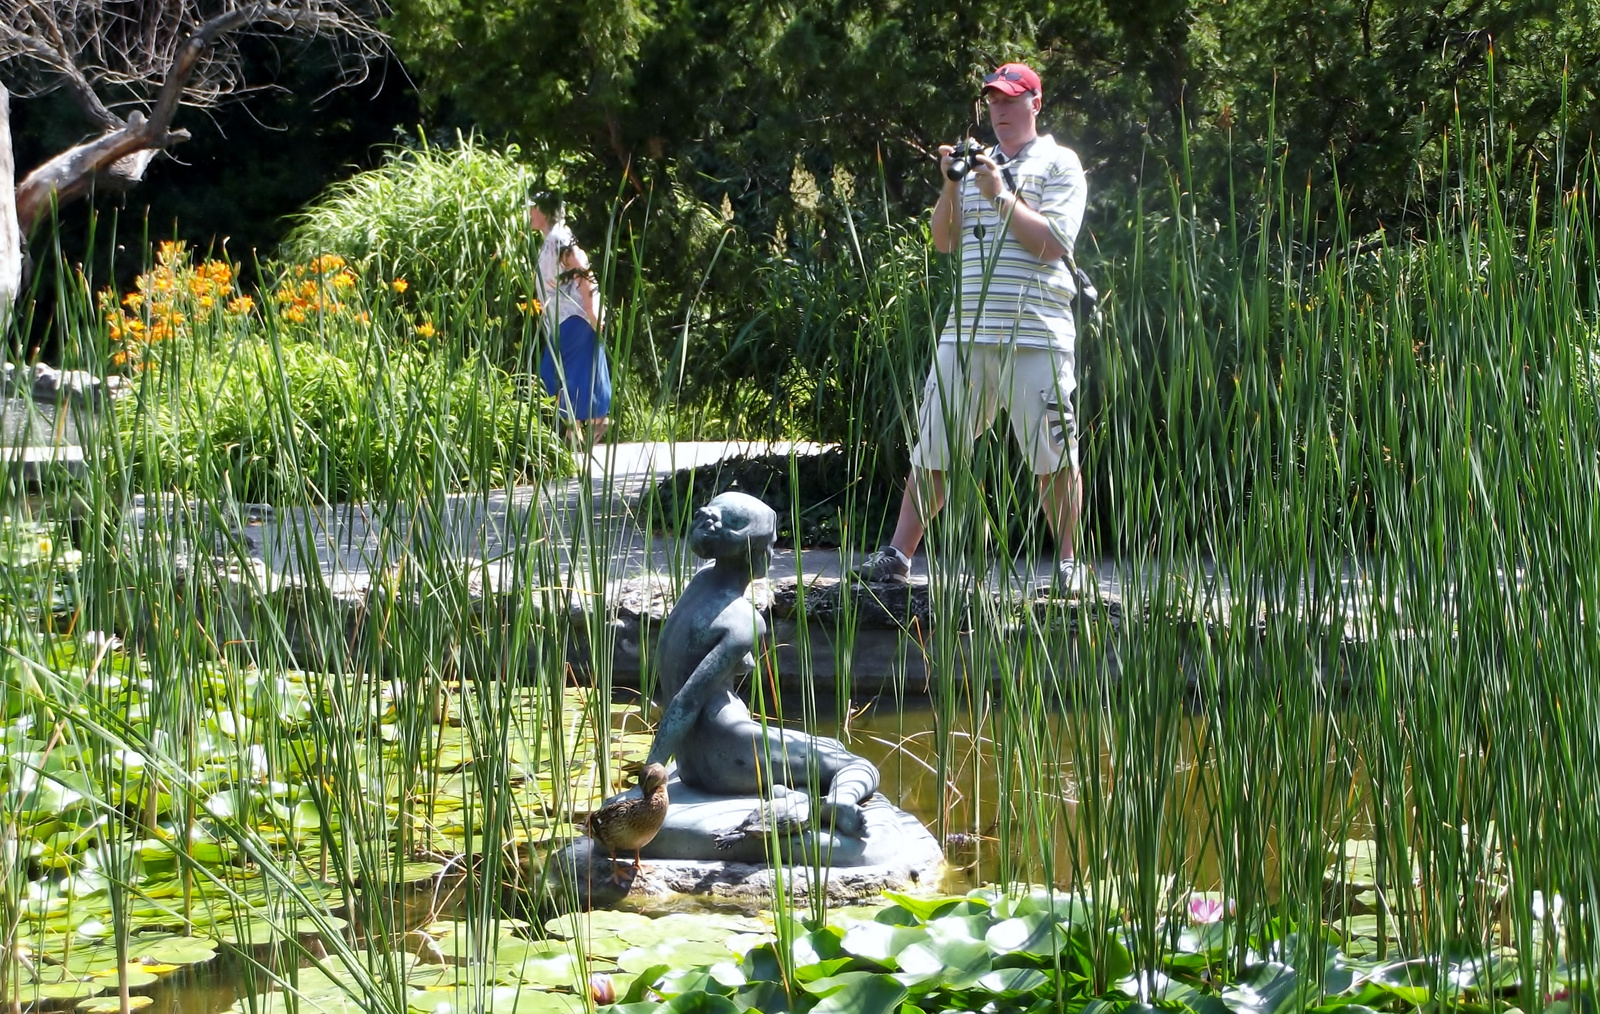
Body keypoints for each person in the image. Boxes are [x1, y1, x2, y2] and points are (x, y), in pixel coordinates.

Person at [855, 61, 1092, 595]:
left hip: (1036, 334)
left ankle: (1070, 567)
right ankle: (897, 556)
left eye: (1011, 100)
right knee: (934, 447)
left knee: (1053, 456)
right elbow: (944, 240)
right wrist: (950, 186)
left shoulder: (1060, 164)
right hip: (964, 336)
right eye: (993, 101)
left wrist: (1001, 193)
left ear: (1036, 102)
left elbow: (1052, 244)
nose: (1001, 111)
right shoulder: (974, 167)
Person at [645, 492, 878, 838]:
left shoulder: (700, 583)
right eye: (770, 544)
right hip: (727, 755)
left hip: (692, 763)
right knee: (858, 764)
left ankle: (800, 795)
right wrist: (649, 780)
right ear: (752, 550)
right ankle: (839, 802)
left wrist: (661, 764)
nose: (772, 553)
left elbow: (678, 689)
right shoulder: (745, 620)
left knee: (833, 749)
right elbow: (688, 700)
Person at [527, 189, 611, 447]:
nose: (528, 213)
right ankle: (586, 424)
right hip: (563, 318)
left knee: (555, 374)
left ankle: (584, 425)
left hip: (574, 316)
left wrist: (590, 307)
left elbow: (580, 264)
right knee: (569, 372)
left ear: (543, 211)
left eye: (531, 208)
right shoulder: (551, 238)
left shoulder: (559, 238)